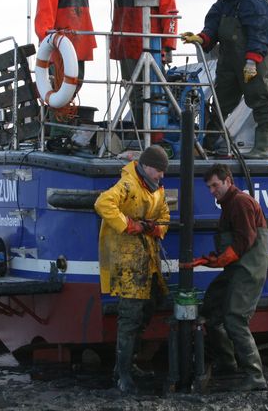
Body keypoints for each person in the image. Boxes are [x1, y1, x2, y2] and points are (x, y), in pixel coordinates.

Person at [185, 163, 268, 391]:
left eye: (215, 185)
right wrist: (212, 259)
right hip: (235, 269)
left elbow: (244, 240)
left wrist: (219, 260)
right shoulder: (229, 205)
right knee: (211, 309)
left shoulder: (241, 202)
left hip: (247, 271)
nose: (212, 191)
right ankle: (227, 363)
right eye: (209, 187)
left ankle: (255, 375)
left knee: (234, 318)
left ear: (228, 181)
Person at [94, 145, 171, 394]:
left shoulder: (156, 189)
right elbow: (103, 203)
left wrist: (153, 228)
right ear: (147, 166)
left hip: (147, 261)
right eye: (159, 170)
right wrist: (129, 225)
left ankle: (127, 365)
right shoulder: (128, 185)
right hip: (128, 263)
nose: (161, 175)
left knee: (148, 308)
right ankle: (123, 374)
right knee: (129, 318)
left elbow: (165, 216)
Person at [181, 0, 268, 158]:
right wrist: (202, 38)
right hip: (229, 63)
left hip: (253, 62)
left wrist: (252, 60)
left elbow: (261, 31)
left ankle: (261, 148)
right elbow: (212, 27)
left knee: (260, 101)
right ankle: (209, 144)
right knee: (220, 102)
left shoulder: (253, 2)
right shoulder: (222, 4)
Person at [110, 0, 178, 133]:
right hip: (126, 45)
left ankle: (151, 133)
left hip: (149, 47)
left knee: (149, 91)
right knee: (133, 91)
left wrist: (168, 47)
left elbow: (170, 14)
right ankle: (142, 132)